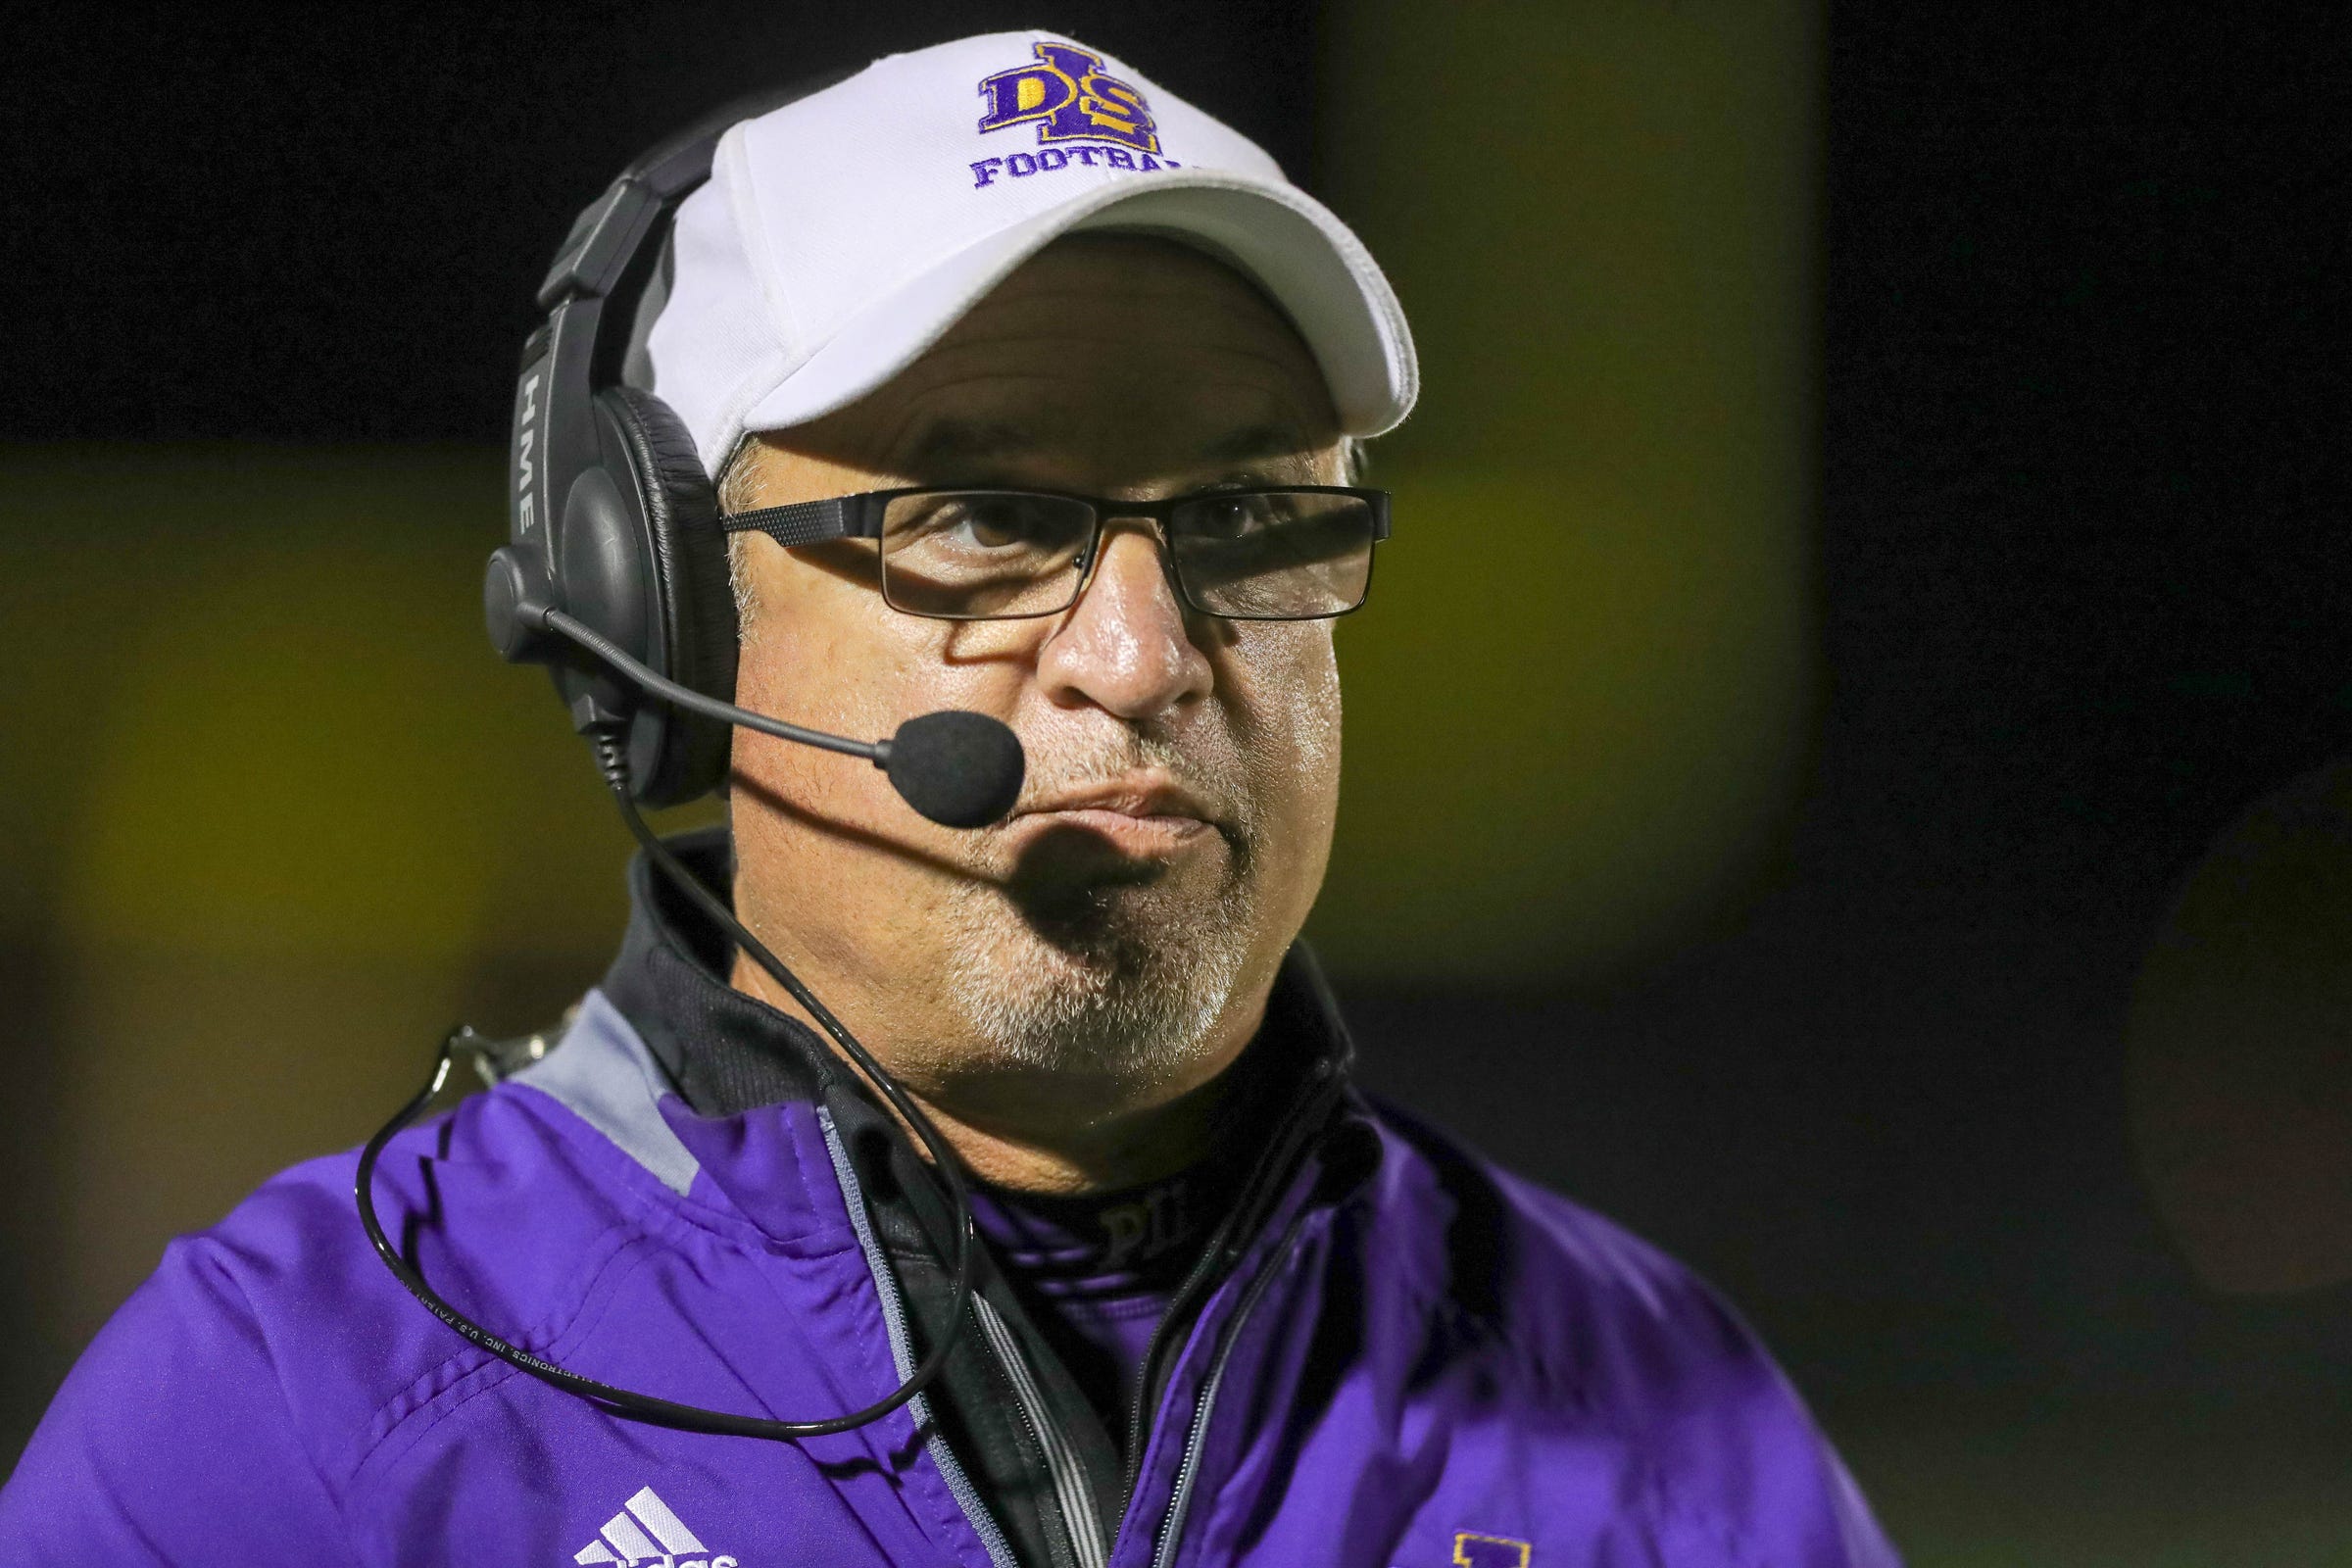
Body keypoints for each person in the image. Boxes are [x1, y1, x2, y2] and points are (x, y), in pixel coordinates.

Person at [2, 32, 1898, 1567]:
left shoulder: (1662, 1422)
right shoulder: (297, 1416)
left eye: (1245, 516)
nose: (1144, 656)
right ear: (660, 604)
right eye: (989, 518)